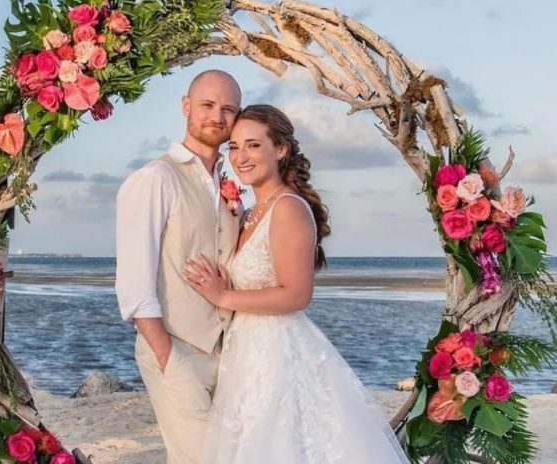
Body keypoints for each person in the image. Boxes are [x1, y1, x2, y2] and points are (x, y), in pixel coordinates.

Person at [182, 104, 410, 463]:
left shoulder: (288, 208)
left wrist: (223, 294)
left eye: (254, 145)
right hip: (247, 351)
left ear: (281, 149)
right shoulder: (250, 211)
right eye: (235, 147)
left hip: (276, 352)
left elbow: (296, 294)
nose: (241, 156)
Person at [114, 69, 242, 464]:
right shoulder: (155, 178)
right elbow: (134, 283)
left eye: (228, 109)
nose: (216, 117)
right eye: (206, 105)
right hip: (176, 347)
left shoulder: (231, 183)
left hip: (230, 352)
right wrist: (166, 355)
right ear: (186, 106)